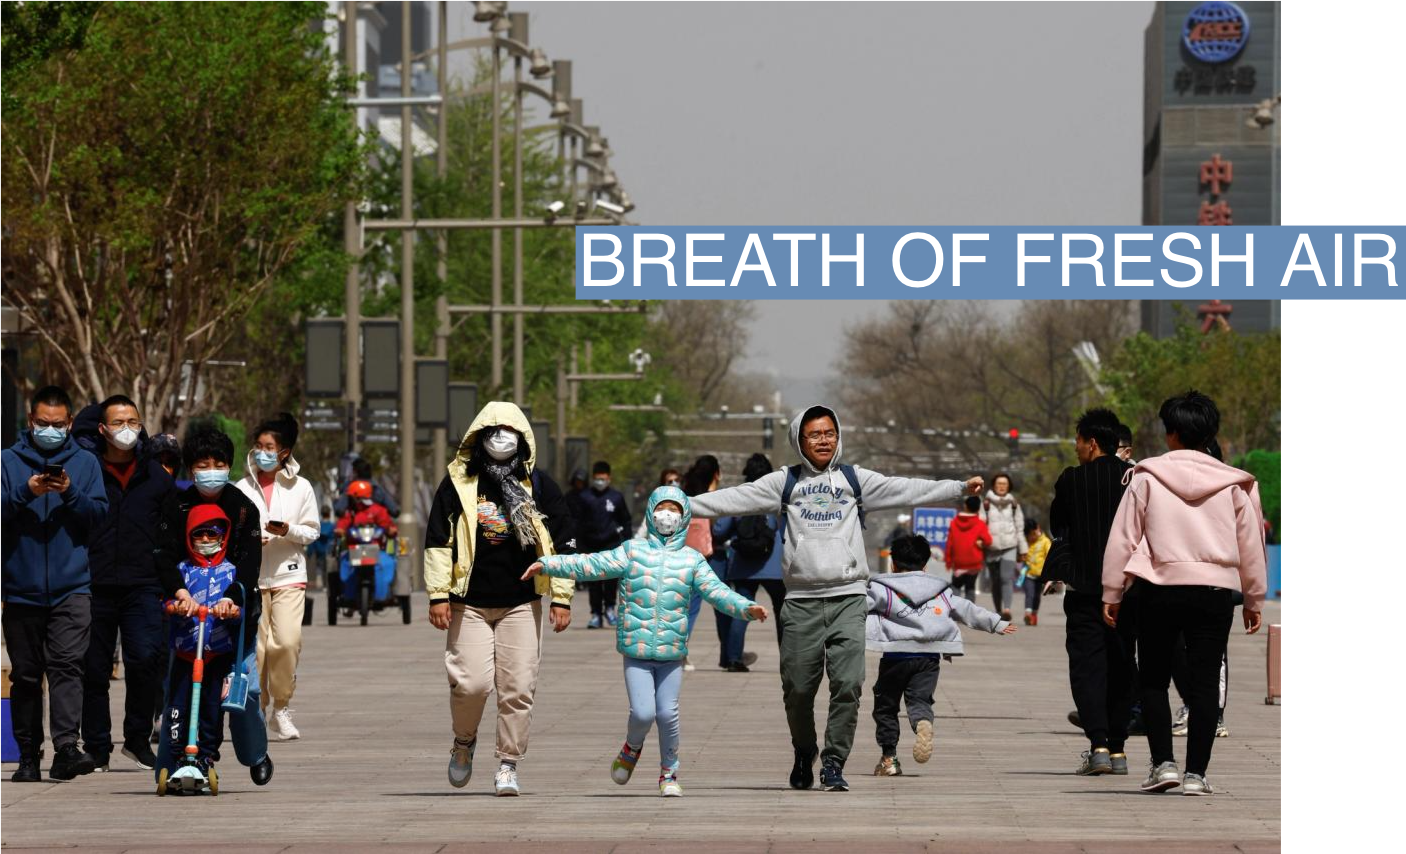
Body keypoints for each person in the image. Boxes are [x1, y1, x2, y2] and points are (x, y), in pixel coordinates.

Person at [688, 403, 983, 792]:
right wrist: (679, 504)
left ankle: (833, 762)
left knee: (848, 682)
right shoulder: (784, 482)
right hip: (800, 602)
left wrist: (958, 488)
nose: (823, 440)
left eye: (829, 433)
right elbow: (734, 498)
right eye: (814, 434)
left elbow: (905, 487)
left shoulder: (854, 480)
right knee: (797, 689)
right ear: (799, 440)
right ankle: (804, 749)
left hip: (848, 598)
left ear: (838, 436)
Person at [523, 485, 766, 797]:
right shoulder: (632, 552)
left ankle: (669, 773)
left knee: (667, 713)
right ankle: (631, 747)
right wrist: (550, 563)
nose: (668, 515)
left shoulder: (692, 560)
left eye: (675, 509)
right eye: (662, 508)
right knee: (643, 713)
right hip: (636, 650)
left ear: (684, 516)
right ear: (651, 513)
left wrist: (746, 608)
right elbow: (593, 564)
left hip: (672, 652)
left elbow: (717, 592)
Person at [1102, 391, 1266, 796]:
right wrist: (1253, 598)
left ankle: (1164, 766)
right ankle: (1196, 774)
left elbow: (1124, 537)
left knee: (1154, 680)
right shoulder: (1236, 483)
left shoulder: (1146, 476)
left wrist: (1112, 591)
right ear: (1211, 432)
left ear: (1170, 432)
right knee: (1205, 683)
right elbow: (1251, 546)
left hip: (1159, 588)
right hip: (1213, 591)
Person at [423, 402, 576, 797]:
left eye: (509, 430)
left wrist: (562, 597)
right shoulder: (457, 484)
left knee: (518, 686)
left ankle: (508, 763)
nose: (500, 437)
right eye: (492, 430)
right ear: (477, 436)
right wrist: (438, 594)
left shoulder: (539, 487)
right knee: (471, 684)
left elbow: (563, 546)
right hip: (468, 602)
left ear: (524, 439)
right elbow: (438, 541)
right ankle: (463, 742)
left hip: (521, 601)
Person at [0, 386, 109, 782]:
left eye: (58, 424)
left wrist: (70, 494)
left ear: (68, 422)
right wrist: (24, 493)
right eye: (43, 424)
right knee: (26, 675)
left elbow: (98, 514)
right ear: (30, 422)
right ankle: (28, 755)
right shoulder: (7, 461)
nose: (50, 430)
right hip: (20, 588)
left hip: (72, 588)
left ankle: (66, 747)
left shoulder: (85, 463)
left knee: (66, 666)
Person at [154, 424, 270, 785]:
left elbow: (250, 566)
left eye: (219, 462)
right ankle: (170, 764)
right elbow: (162, 555)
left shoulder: (243, 508)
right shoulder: (176, 503)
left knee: (244, 691)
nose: (211, 469)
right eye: (203, 463)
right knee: (180, 691)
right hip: (188, 618)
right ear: (191, 469)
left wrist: (232, 599)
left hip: (232, 619)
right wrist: (179, 594)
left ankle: (255, 753)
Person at [73, 394, 174, 772]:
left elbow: (169, 535)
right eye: (117, 422)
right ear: (102, 428)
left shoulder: (155, 477)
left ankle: (136, 740)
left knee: (145, 660)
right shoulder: (86, 470)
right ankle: (97, 746)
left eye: (133, 421)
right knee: (94, 668)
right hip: (93, 583)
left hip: (143, 585)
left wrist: (169, 579)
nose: (126, 430)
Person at [866, 534, 1015, 776]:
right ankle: (922, 722)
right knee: (920, 701)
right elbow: (965, 608)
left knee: (886, 705)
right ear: (925, 565)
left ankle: (889, 759)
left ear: (893, 564)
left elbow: (859, 605)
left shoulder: (883, 588)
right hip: (929, 658)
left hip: (895, 656)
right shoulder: (940, 590)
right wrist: (996, 623)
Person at [1043, 408, 1134, 777]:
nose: (1077, 448)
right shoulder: (1136, 480)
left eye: (1079, 442)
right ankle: (1118, 750)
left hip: (1085, 589)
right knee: (1123, 667)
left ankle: (1097, 745)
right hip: (1128, 590)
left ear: (1092, 443)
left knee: (1087, 667)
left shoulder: (1071, 481)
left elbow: (1058, 525)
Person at [235, 414, 319, 742]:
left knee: (285, 643)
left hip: (289, 574)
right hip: (253, 578)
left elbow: (312, 531)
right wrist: (253, 538)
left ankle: (282, 707)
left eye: (270, 447)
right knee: (257, 650)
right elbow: (233, 531)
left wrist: (287, 530)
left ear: (284, 452)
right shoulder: (240, 488)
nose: (263, 452)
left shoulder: (301, 487)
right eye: (258, 446)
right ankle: (260, 707)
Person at [153, 505, 250, 787]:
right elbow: (168, 601)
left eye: (213, 534)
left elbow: (242, 606)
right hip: (186, 650)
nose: (206, 540)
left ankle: (206, 756)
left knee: (211, 708)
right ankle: (176, 756)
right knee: (177, 707)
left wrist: (232, 610)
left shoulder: (231, 573)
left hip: (216, 654)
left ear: (223, 537)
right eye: (200, 534)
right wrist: (176, 605)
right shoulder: (182, 570)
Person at [713, 453, 786, 672]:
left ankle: (734, 659)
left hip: (743, 564)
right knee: (783, 611)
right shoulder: (778, 494)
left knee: (743, 608)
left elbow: (720, 530)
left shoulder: (739, 495)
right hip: (774, 565)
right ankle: (788, 661)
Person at [681, 455, 729, 668]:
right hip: (711, 557)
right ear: (716, 473)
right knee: (723, 605)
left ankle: (680, 649)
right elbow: (721, 529)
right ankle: (730, 652)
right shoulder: (714, 498)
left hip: (685, 555)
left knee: (687, 607)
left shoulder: (684, 496)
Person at [576, 460, 632, 629]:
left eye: (603, 478)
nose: (600, 481)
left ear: (609, 478)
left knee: (610, 580)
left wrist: (627, 543)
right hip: (591, 545)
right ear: (593, 478)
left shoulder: (616, 497)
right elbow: (578, 522)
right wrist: (580, 546)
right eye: (597, 478)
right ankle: (595, 614)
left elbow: (625, 520)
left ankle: (609, 608)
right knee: (593, 582)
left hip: (612, 545)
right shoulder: (585, 497)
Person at [979, 473, 1026, 621]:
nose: (1001, 486)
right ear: (993, 485)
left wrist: (1023, 549)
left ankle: (1007, 609)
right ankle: (998, 609)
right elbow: (980, 525)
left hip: (1009, 546)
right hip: (991, 548)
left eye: (1004, 484)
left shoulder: (1014, 505)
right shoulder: (985, 504)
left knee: (1006, 578)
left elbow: (1019, 527)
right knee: (995, 581)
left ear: (1009, 486)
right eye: (999, 483)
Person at [943, 496, 991, 602]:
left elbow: (949, 543)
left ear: (965, 506)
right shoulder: (980, 523)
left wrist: (948, 561)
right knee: (970, 588)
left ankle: (954, 611)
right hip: (974, 563)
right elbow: (988, 541)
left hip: (959, 562)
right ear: (978, 509)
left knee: (956, 586)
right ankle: (968, 613)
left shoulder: (954, 522)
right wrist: (981, 543)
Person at [333, 457, 399, 518]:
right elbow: (394, 510)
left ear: (355, 472)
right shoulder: (377, 488)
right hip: (375, 522)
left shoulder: (350, 487)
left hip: (354, 523)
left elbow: (339, 509)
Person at [1020, 519, 1051, 626]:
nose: (1032, 537)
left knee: (1037, 596)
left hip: (1040, 575)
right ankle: (1027, 614)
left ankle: (1034, 614)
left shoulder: (1045, 541)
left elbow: (1050, 554)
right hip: (1029, 574)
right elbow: (1021, 555)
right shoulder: (1026, 542)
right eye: (1029, 535)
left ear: (1038, 528)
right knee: (1029, 593)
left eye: (1033, 534)